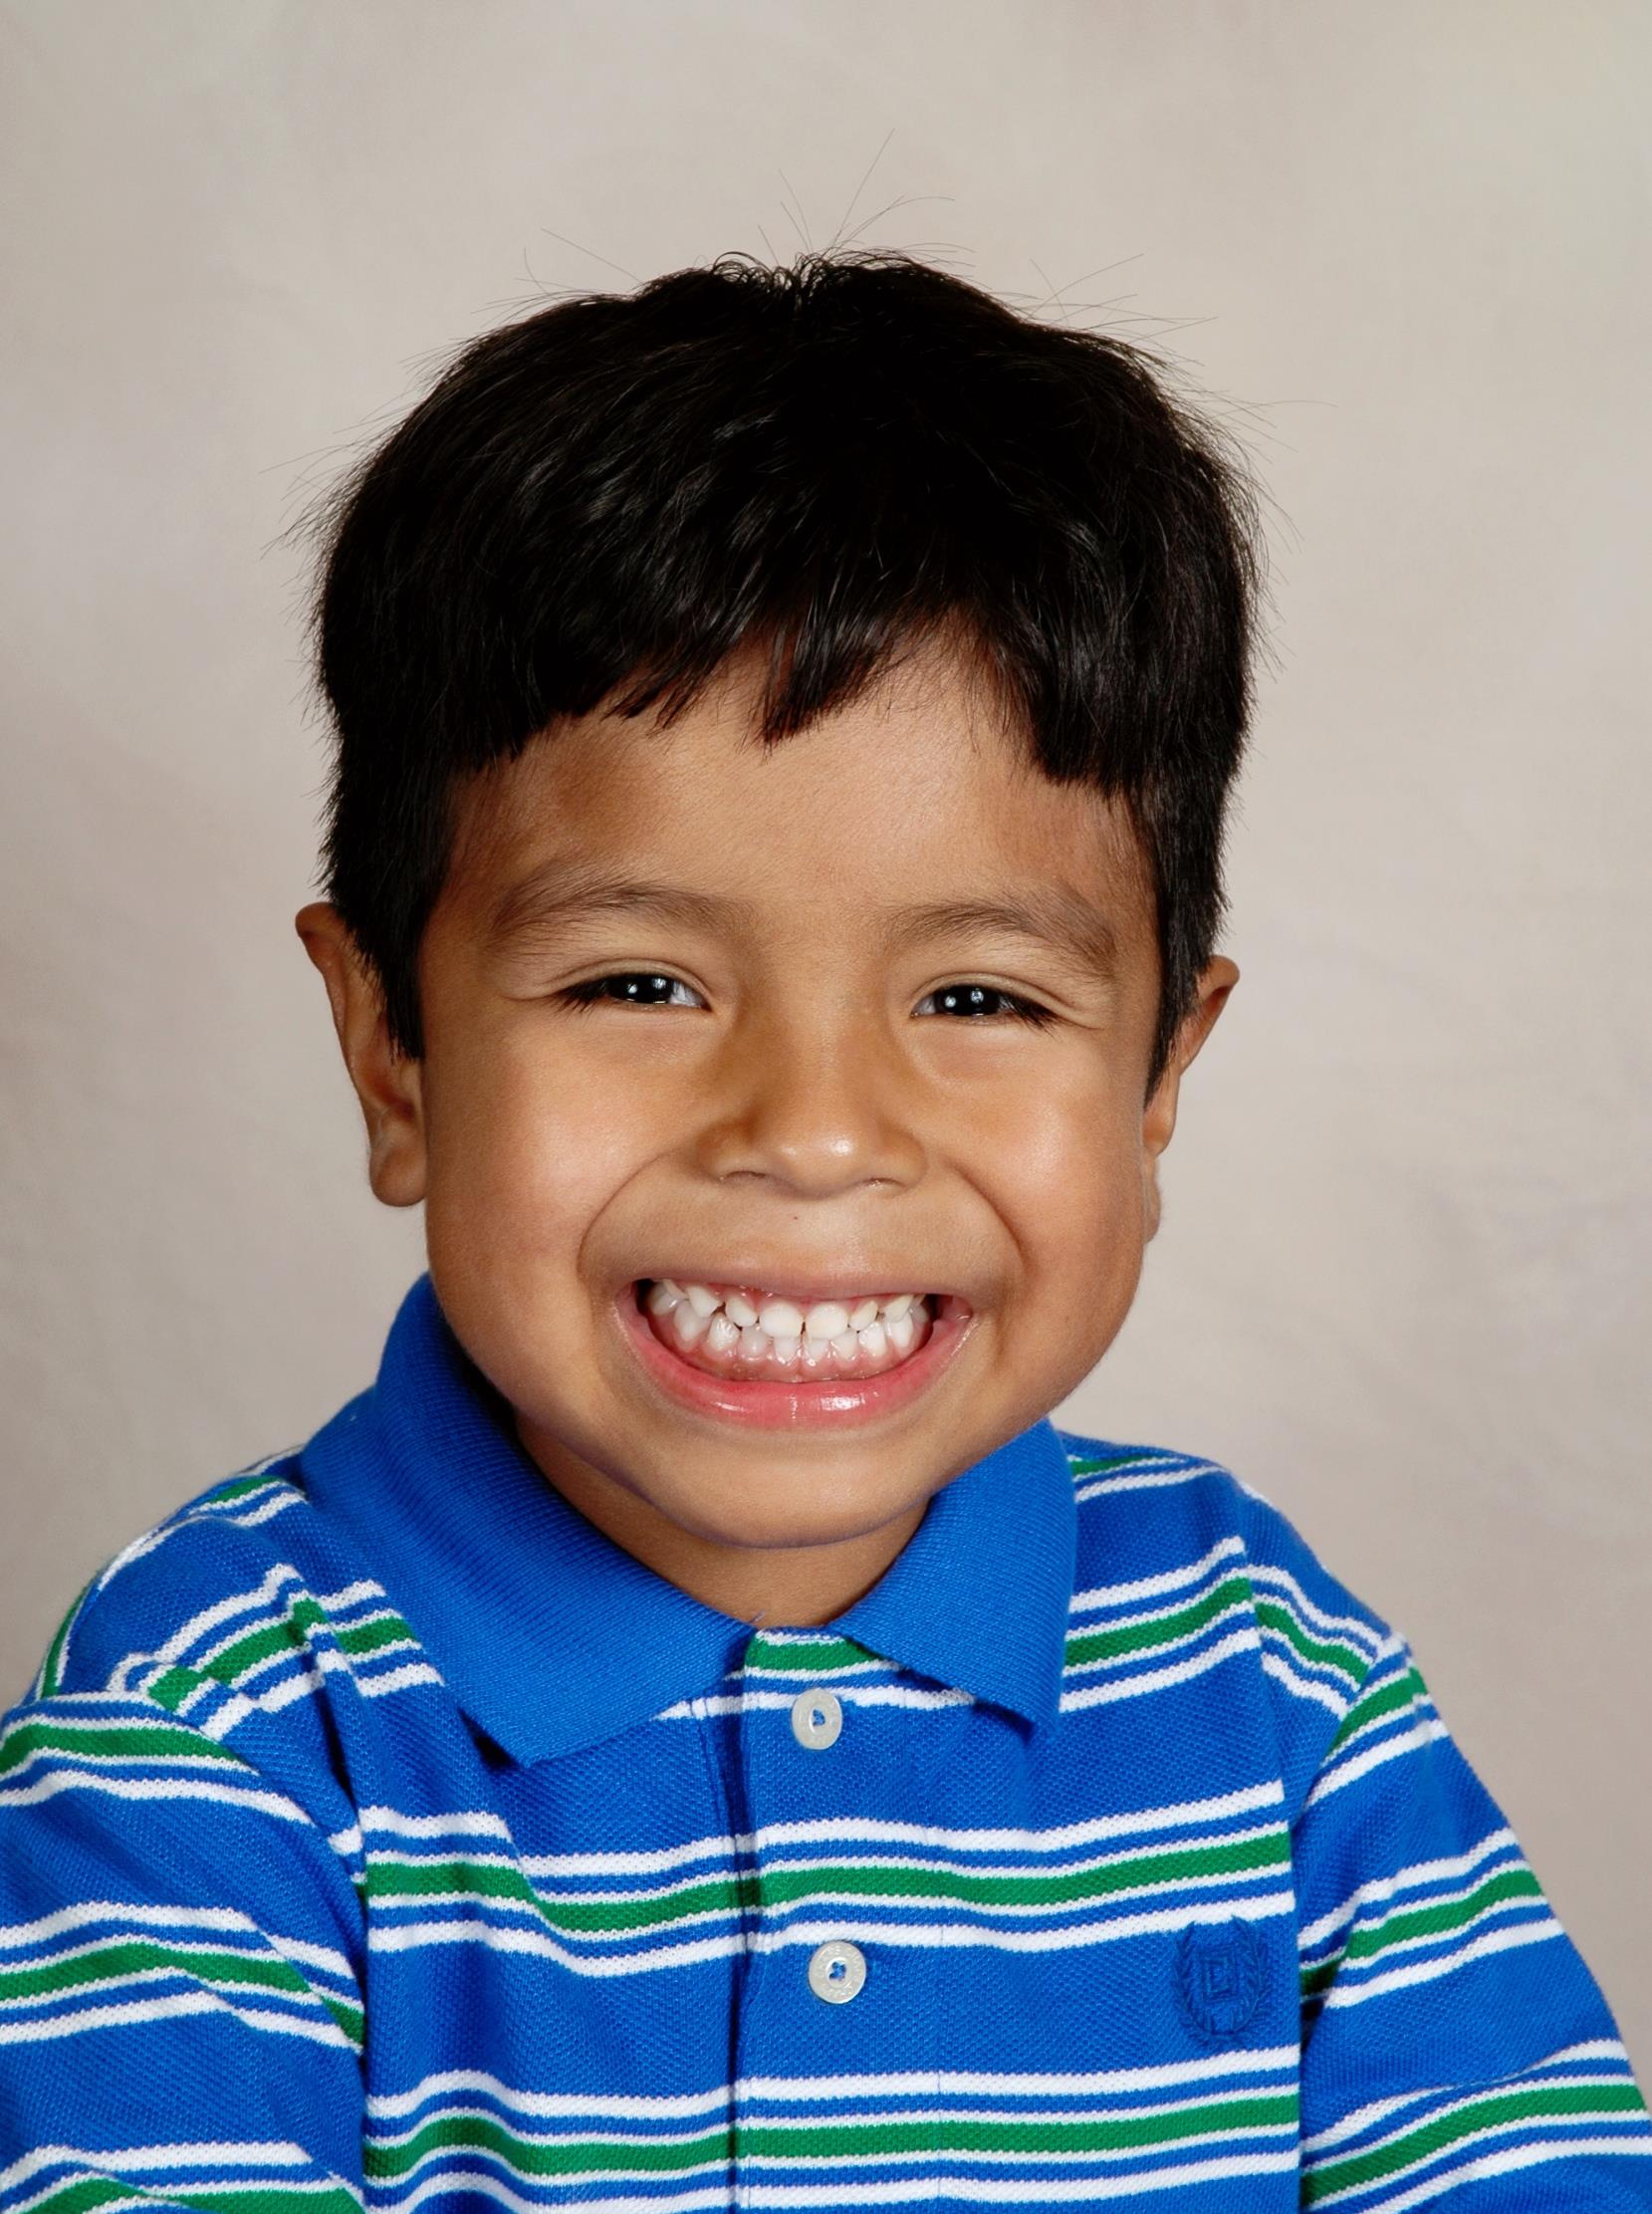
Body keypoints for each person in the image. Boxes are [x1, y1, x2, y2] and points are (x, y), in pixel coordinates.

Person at [2, 249, 1647, 2211]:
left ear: (1155, 1079)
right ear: (395, 1053)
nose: (812, 1133)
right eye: (633, 981)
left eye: (976, 998)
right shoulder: (215, 1710)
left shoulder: (1260, 1658)